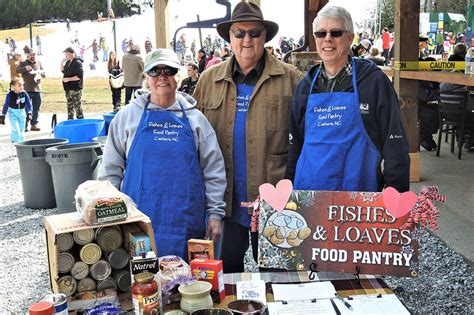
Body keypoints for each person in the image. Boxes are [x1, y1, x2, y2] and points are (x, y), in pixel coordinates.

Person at [193, 2, 303, 273]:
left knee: (280, 282)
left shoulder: (293, 80)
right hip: (225, 205)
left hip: (276, 203)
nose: (246, 40)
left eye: (254, 33)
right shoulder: (207, 81)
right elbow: (192, 141)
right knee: (224, 280)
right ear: (229, 37)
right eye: (239, 33)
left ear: (265, 37)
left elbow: (308, 143)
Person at [98, 48, 226, 259]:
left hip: (185, 223)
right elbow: (110, 171)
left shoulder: (197, 120)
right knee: (142, 285)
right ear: (146, 76)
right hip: (137, 223)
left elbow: (213, 172)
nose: (162, 77)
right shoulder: (127, 117)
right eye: (155, 72)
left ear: (179, 76)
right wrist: (109, 216)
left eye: (169, 70)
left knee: (185, 285)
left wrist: (215, 214)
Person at [286, 5, 410, 193]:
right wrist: (288, 192)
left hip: (360, 199)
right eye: (321, 33)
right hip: (309, 198)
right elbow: (295, 146)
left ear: (350, 38)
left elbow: (395, 144)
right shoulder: (306, 86)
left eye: (336, 32)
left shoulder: (373, 82)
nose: (327, 39)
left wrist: (396, 194)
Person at [16, 50, 45, 131]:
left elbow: (44, 74)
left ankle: (34, 124)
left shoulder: (38, 63)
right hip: (27, 89)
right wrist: (25, 68)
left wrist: (41, 73)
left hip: (37, 89)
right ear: (27, 55)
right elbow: (17, 70)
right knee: (26, 108)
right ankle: (24, 125)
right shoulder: (23, 63)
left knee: (36, 108)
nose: (33, 56)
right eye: (31, 55)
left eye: (34, 54)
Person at [60, 47, 84, 120]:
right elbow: (63, 71)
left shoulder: (77, 62)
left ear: (71, 53)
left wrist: (68, 79)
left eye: (66, 54)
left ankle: (80, 121)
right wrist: (61, 62)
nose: (65, 55)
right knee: (69, 106)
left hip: (75, 89)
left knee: (77, 106)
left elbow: (80, 76)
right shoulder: (68, 62)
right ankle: (70, 121)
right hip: (68, 88)